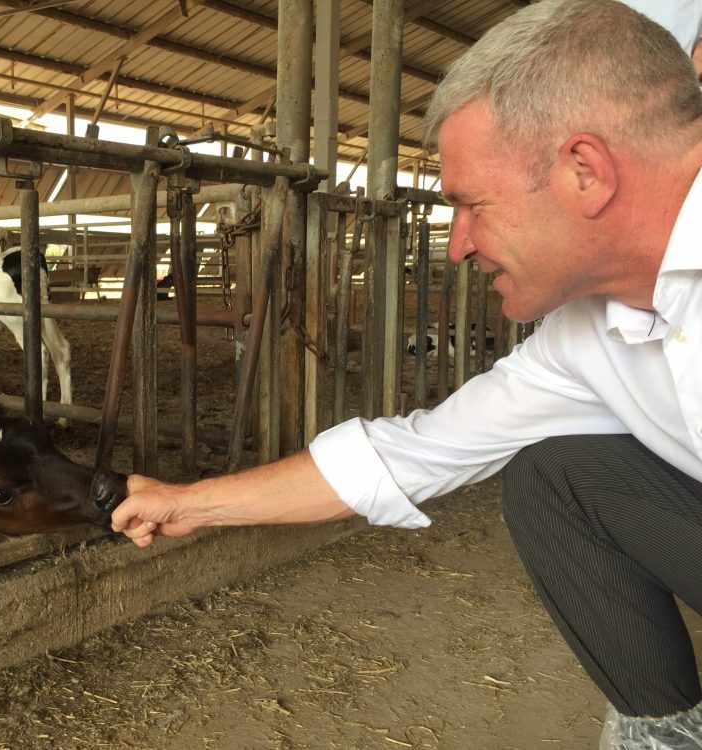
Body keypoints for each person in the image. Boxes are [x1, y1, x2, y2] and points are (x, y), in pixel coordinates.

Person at [111, 1, 702, 747]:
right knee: (556, 473)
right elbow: (412, 451)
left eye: (470, 206)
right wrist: (188, 504)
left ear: (584, 171)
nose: (455, 248)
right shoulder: (583, 338)